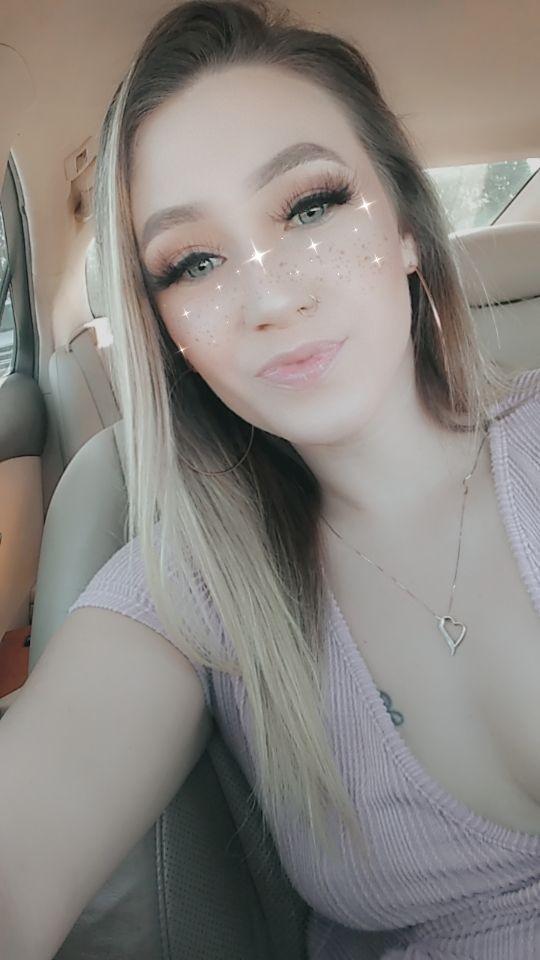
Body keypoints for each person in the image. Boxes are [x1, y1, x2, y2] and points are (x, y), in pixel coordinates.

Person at [48, 0, 540, 955]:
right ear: (167, 334)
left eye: (311, 206)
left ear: (408, 228)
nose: (271, 297)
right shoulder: (190, 587)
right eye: (193, 263)